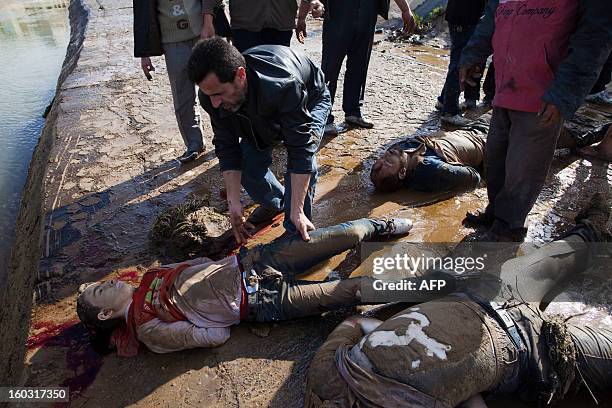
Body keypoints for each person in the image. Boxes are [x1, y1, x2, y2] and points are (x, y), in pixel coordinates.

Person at [305, 193, 612, 408]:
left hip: (486, 297)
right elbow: (466, 395)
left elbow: (354, 321)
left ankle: (598, 215)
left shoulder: (325, 377)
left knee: (574, 247)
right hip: (531, 348)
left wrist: (396, 332)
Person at [76, 217, 413, 356]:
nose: (109, 282)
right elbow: (213, 337)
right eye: (101, 291)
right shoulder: (148, 328)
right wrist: (215, 311)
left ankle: (379, 225)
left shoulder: (150, 276)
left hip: (255, 261)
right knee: (351, 292)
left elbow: (196, 266)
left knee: (348, 235)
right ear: (106, 313)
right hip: (261, 301)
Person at [458, 0, 612, 241]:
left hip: (544, 95)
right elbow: (492, 16)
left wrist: (564, 94)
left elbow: (594, 39)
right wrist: (473, 54)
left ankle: (510, 226)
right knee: (496, 156)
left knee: (525, 166)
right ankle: (496, 212)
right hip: (506, 85)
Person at [187, 38, 331, 243]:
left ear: (240, 75)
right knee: (247, 162)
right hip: (255, 107)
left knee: (306, 162)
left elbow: (300, 151)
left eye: (218, 94)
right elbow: (227, 147)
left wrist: (297, 210)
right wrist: (234, 202)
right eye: (208, 95)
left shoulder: (284, 84)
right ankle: (276, 203)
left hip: (310, 100)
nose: (214, 103)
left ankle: (296, 228)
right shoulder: (213, 97)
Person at [133, 0, 228, 163]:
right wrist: (144, 54)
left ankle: (225, 139)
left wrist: (208, 23)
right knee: (182, 94)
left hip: (203, 31)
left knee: (217, 88)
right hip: (172, 40)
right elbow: (142, 14)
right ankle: (194, 144)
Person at [302, 0, 415, 134]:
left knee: (360, 64)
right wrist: (308, 11)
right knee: (330, 67)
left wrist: (406, 10)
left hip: (367, 12)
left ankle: (354, 111)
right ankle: (324, 117)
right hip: (339, 13)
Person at [370, 121, 487, 193]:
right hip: (485, 140)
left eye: (379, 160)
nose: (386, 155)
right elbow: (474, 178)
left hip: (469, 129)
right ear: (402, 172)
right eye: (388, 162)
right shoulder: (431, 170)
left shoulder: (397, 149)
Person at [436, 0, 491, 126]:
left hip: (460, 17)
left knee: (459, 61)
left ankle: (444, 101)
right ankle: (449, 112)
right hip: (464, 18)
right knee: (460, 63)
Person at [202, 0, 305, 53]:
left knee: (279, 75)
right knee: (247, 78)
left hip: (281, 26)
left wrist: (301, 18)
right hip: (245, 28)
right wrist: (208, 22)